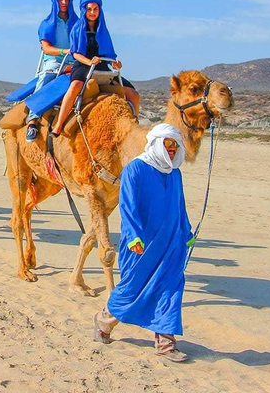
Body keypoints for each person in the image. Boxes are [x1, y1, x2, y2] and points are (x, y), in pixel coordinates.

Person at [93, 124, 192, 362]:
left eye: (174, 146)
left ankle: (166, 344)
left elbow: (180, 205)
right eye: (167, 145)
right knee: (131, 289)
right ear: (156, 143)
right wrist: (134, 235)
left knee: (170, 287)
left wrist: (186, 231)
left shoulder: (174, 173)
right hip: (140, 244)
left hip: (170, 243)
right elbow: (128, 207)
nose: (170, 150)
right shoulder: (135, 169)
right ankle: (104, 320)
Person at [50, 0, 139, 136]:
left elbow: (109, 53)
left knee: (133, 93)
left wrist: (115, 63)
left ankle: (135, 124)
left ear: (100, 10)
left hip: (102, 66)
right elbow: (76, 53)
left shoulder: (103, 30)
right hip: (82, 64)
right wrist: (89, 61)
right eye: (89, 9)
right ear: (84, 10)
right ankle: (59, 125)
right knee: (75, 87)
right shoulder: (77, 29)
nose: (92, 12)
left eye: (95, 9)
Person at [25, 0, 79, 142]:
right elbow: (46, 48)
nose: (64, 2)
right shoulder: (47, 24)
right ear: (55, 1)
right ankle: (32, 121)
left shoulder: (77, 23)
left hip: (75, 61)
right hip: (55, 61)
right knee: (47, 76)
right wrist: (65, 51)